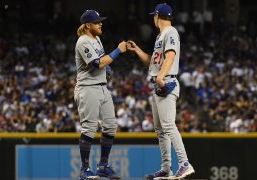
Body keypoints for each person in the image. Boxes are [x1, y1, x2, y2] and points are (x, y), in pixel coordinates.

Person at [126, 3, 195, 179]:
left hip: (167, 82)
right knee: (160, 129)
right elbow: (153, 63)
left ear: (157, 16)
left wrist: (160, 78)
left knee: (168, 126)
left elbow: (170, 56)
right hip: (160, 82)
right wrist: (137, 51)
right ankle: (166, 168)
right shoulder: (161, 36)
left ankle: (185, 164)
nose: (153, 19)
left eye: (154, 16)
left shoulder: (170, 32)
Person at [74, 9, 126, 180]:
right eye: (97, 22)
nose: (100, 23)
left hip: (102, 87)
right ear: (88, 25)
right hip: (88, 87)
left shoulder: (97, 39)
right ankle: (84, 169)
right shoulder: (83, 41)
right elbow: (97, 63)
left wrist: (109, 69)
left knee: (111, 126)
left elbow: (103, 62)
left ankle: (103, 165)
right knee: (89, 128)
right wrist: (118, 50)